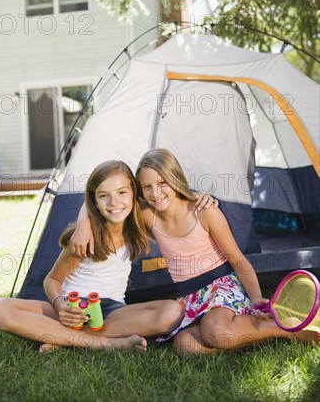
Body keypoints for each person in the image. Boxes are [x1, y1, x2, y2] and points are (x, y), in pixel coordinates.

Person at [71, 149, 320, 354]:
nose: (155, 193)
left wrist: (255, 297)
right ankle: (244, 332)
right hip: (189, 296)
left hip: (220, 285)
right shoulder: (147, 215)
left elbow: (237, 258)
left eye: (162, 183)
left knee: (216, 331)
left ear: (175, 178)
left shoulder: (204, 211)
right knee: (185, 347)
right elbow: (108, 197)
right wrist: (84, 223)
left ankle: (290, 329)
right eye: (146, 187)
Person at [0, 160, 185, 353]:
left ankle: (61, 337)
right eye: (104, 196)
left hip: (112, 312)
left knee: (172, 312)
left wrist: (201, 199)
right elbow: (52, 279)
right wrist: (61, 305)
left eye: (122, 193)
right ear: (95, 202)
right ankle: (103, 343)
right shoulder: (85, 238)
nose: (114, 202)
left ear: (134, 193)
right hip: (73, 309)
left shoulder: (137, 223)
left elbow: (172, 206)